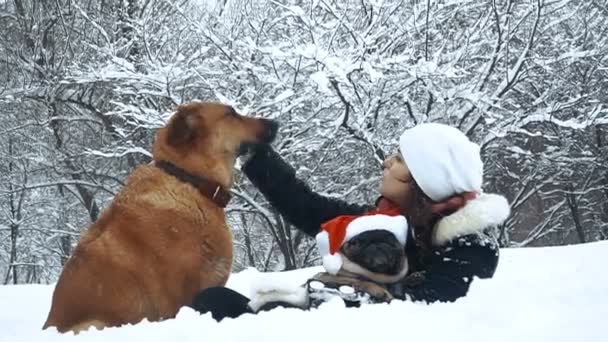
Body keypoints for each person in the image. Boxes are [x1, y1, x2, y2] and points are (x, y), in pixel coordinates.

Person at [190, 123, 510, 321]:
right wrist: (254, 153)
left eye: (399, 159)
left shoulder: (470, 245)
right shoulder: (383, 223)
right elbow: (308, 207)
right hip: (322, 317)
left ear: (425, 179)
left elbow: (427, 312)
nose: (386, 162)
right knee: (211, 300)